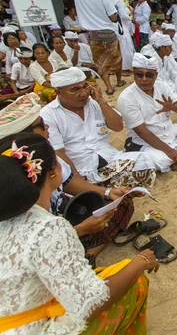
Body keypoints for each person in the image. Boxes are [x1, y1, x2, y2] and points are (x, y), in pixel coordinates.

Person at [0, 132, 158, 334]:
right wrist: (142, 261)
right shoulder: (48, 227)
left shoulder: (9, 210)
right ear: (53, 173)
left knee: (109, 272)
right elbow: (90, 304)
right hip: (28, 327)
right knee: (134, 278)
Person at [0, 93, 140, 266]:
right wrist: (80, 230)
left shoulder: (42, 156)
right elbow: (33, 242)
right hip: (44, 243)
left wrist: (109, 192)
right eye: (42, 124)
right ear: (24, 136)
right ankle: (83, 257)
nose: (48, 127)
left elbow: (70, 181)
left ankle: (89, 254)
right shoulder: (12, 183)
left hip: (65, 216)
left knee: (122, 204)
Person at [41, 67, 156, 186]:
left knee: (145, 161)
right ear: (58, 93)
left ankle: (106, 188)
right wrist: (77, 180)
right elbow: (59, 153)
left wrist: (101, 101)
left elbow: (117, 127)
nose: (84, 93)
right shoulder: (48, 115)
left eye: (85, 86)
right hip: (80, 168)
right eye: (75, 89)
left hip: (109, 158)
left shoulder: (94, 102)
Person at [118, 54, 177, 172]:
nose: (144, 79)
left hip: (169, 130)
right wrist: (169, 151)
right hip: (146, 141)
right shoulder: (126, 97)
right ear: (134, 74)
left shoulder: (162, 86)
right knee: (162, 161)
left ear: (156, 75)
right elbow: (142, 132)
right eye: (139, 74)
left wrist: (172, 107)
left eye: (149, 75)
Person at [74, 0, 122, 95]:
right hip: (108, 32)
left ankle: (109, 87)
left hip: (93, 34)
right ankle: (119, 81)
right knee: (116, 58)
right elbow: (113, 17)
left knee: (100, 62)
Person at [110, 0, 135, 77]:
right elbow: (123, 16)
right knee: (125, 47)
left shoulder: (110, 1)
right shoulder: (119, 2)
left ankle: (115, 68)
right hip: (121, 27)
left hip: (114, 27)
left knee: (117, 48)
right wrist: (131, 17)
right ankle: (125, 68)